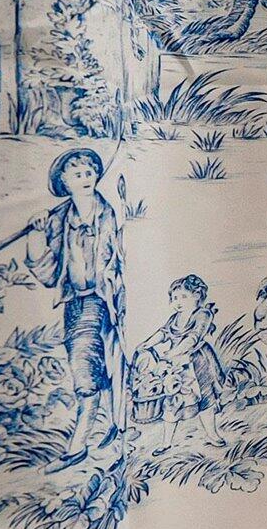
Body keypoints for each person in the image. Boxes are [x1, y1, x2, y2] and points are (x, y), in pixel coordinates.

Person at [35, 146, 125, 462]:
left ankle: (80, 444)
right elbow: (49, 275)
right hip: (75, 303)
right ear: (64, 181)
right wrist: (37, 238)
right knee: (88, 366)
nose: (85, 178)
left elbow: (113, 261)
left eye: (89, 172)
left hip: (104, 302)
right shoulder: (59, 220)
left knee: (93, 369)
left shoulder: (107, 214)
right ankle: (112, 427)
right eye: (77, 174)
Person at [136, 274, 231, 452]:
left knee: (206, 400)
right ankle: (166, 442)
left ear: (196, 296)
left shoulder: (203, 314)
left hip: (198, 362)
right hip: (177, 366)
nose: (178, 301)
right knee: (172, 401)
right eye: (174, 298)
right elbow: (163, 333)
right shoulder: (175, 318)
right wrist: (148, 343)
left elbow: (193, 338)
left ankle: (212, 434)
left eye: (183, 297)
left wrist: (173, 352)